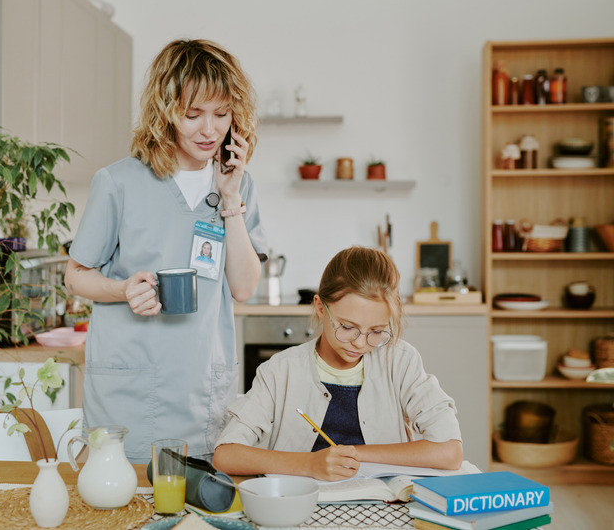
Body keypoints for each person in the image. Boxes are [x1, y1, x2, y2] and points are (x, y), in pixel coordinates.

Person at [64, 39, 267, 463]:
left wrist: (229, 198)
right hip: (131, 391)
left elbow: (245, 288)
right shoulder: (118, 182)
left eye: (221, 114)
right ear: (166, 109)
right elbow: (76, 274)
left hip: (203, 392)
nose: (209, 130)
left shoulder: (238, 184)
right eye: (193, 115)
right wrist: (122, 290)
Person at [213, 246, 463, 481]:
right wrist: (310, 464)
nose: (360, 343)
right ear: (321, 307)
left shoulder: (400, 361)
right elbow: (226, 456)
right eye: (347, 327)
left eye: (376, 331)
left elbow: (450, 452)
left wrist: (352, 454)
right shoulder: (281, 371)